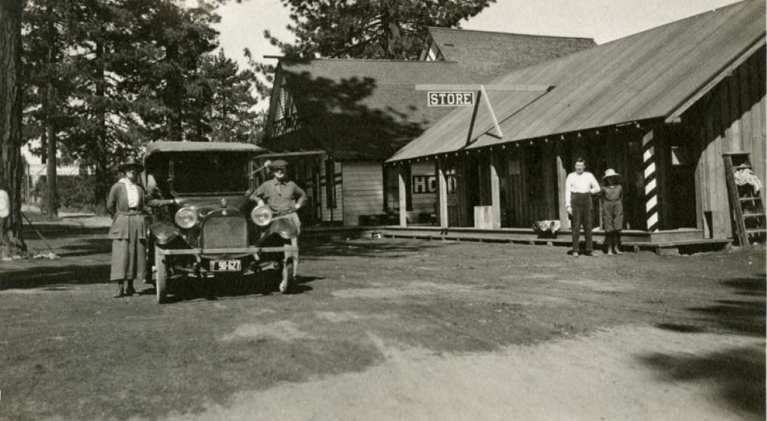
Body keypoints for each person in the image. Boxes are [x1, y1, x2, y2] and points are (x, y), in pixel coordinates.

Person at [107, 158, 148, 298]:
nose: (132, 171)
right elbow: (110, 207)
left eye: (134, 168)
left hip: (137, 221)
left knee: (135, 254)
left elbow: (149, 202)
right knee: (121, 255)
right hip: (122, 222)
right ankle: (119, 287)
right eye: (129, 168)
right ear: (124, 171)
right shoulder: (117, 187)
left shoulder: (139, 188)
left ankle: (130, 286)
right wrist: (120, 218)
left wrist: (171, 201)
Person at [565, 158, 600, 257]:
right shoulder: (571, 176)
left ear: (584, 167)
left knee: (588, 225)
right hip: (575, 200)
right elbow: (567, 191)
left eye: (581, 166)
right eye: (577, 165)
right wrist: (568, 205)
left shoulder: (589, 175)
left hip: (587, 199)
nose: (579, 167)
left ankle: (589, 249)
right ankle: (575, 249)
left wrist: (589, 192)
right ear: (575, 166)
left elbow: (597, 188)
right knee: (575, 226)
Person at [600, 169, 623, 256]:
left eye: (613, 178)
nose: (611, 180)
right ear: (606, 180)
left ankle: (616, 248)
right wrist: (606, 204)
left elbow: (621, 197)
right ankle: (609, 248)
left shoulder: (619, 187)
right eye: (609, 178)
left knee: (617, 227)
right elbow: (602, 198)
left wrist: (617, 204)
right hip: (607, 205)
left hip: (617, 205)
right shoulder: (604, 188)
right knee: (609, 229)